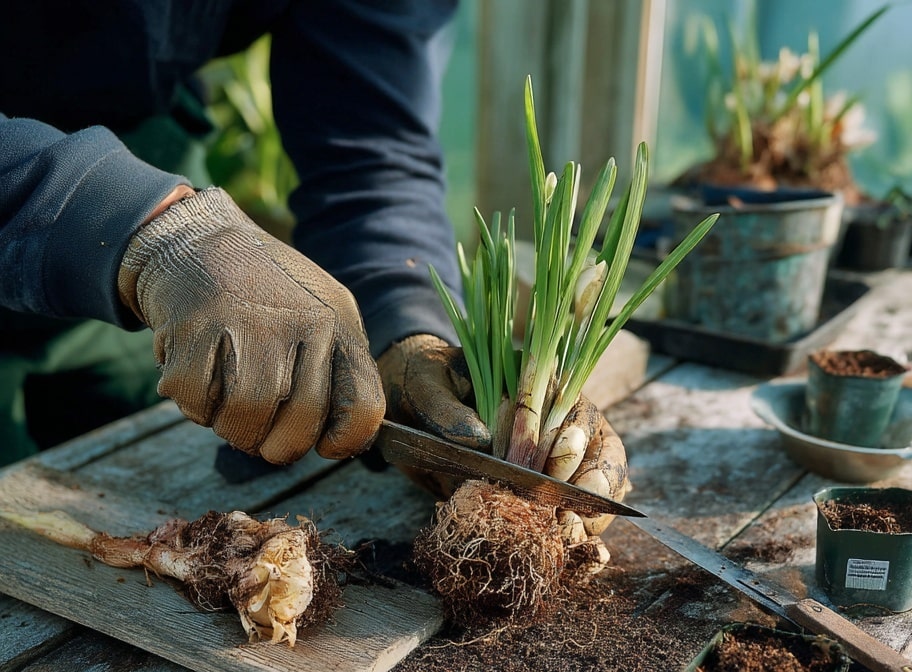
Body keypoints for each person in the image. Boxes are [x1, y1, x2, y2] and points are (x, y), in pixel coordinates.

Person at [1, 0, 627, 538]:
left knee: (118, 518)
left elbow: (371, 151)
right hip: (93, 210)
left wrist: (403, 321)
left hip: (139, 254)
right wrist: (146, 230)